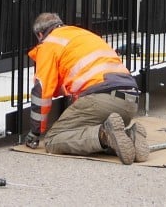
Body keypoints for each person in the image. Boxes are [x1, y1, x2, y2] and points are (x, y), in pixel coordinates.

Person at [24, 12, 149, 165]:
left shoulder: (49, 44)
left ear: (40, 34)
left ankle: (104, 135)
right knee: (86, 131)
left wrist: (36, 131)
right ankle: (129, 136)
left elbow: (41, 92)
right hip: (130, 102)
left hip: (101, 98)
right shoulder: (83, 35)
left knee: (53, 139)